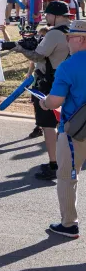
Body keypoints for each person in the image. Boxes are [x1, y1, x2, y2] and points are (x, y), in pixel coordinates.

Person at [8, 1, 72, 181]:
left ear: (56, 16)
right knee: (70, 123)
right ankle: (72, 161)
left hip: (51, 83)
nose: (46, 18)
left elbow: (38, 55)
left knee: (49, 124)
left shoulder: (53, 34)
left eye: (48, 15)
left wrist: (20, 48)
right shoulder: (75, 30)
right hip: (73, 83)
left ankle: (54, 165)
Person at [39, 19, 86, 238]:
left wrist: (44, 102)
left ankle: (69, 224)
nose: (67, 42)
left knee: (67, 176)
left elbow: (55, 101)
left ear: (81, 39)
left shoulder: (68, 65)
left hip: (75, 130)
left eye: (70, 37)